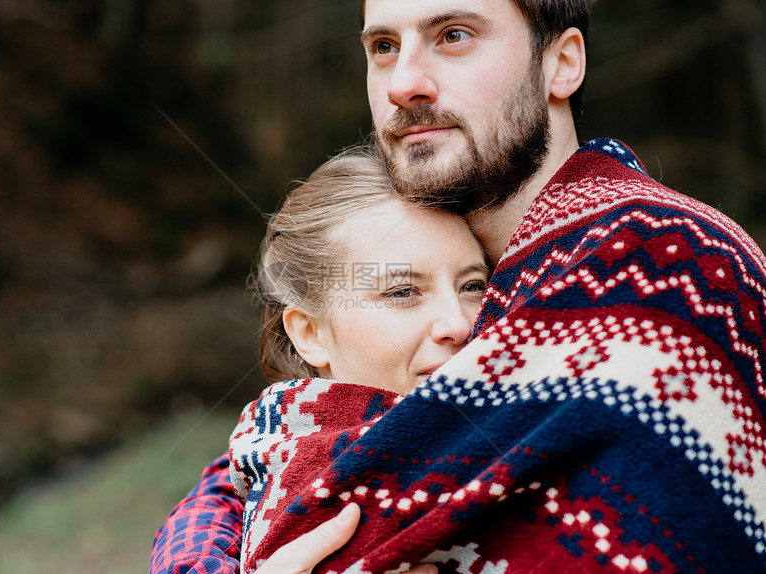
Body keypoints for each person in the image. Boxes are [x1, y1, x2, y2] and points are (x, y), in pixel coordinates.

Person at [151, 1, 766, 572]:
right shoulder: (493, 262)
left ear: (562, 61)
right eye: (384, 47)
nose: (401, 84)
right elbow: (249, 475)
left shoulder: (659, 259)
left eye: (454, 36)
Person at [228, 146, 489, 573]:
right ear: (311, 335)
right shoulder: (308, 501)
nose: (458, 324)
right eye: (402, 291)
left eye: (473, 285)